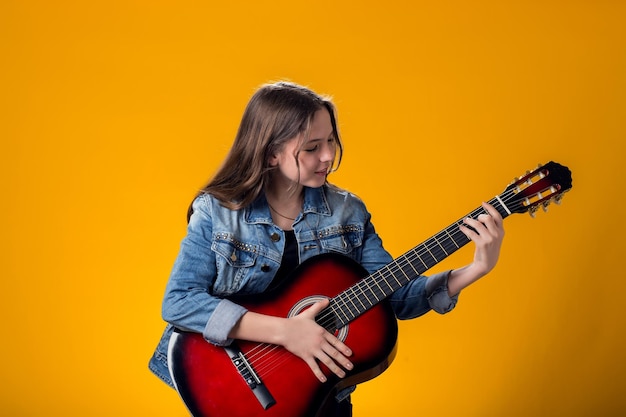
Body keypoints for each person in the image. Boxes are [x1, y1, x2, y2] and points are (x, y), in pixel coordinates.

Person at [148, 81, 504, 417]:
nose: (329, 156)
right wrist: (286, 332)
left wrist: (474, 269)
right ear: (271, 154)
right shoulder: (219, 212)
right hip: (235, 386)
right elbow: (179, 301)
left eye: (331, 141)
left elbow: (395, 297)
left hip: (322, 401)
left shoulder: (348, 212)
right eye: (312, 147)